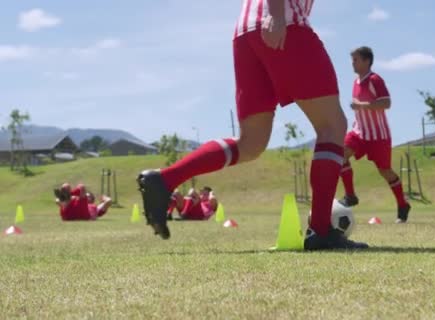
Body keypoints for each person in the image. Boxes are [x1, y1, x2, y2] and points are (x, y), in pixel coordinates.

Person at [136, 0, 368, 250]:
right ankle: (322, 230)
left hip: (247, 32)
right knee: (331, 125)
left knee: (251, 144)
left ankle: (163, 180)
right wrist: (277, 15)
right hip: (283, 24)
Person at [338, 46, 412, 223]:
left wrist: (362, 105)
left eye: (356, 60)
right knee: (340, 155)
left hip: (378, 135)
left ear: (366, 61)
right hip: (359, 132)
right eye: (352, 60)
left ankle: (403, 204)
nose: (353, 63)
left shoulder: (375, 79)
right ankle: (350, 196)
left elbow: (386, 102)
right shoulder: (356, 82)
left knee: (385, 171)